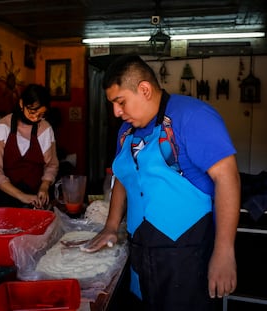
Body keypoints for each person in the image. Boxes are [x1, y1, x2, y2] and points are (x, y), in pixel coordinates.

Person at [81, 55, 241, 310]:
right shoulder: (126, 133)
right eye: (112, 104)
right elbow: (124, 178)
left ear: (144, 89)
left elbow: (228, 179)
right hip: (140, 250)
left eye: (120, 102)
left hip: (186, 255)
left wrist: (224, 252)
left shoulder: (192, 116)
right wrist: (111, 226)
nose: (116, 112)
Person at [0, 84, 59, 209]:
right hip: (6, 197)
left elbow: (51, 165)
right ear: (21, 103)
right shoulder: (3, 127)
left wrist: (44, 186)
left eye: (41, 114)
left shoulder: (45, 129)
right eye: (32, 111)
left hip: (36, 197)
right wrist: (22, 196)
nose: (36, 118)